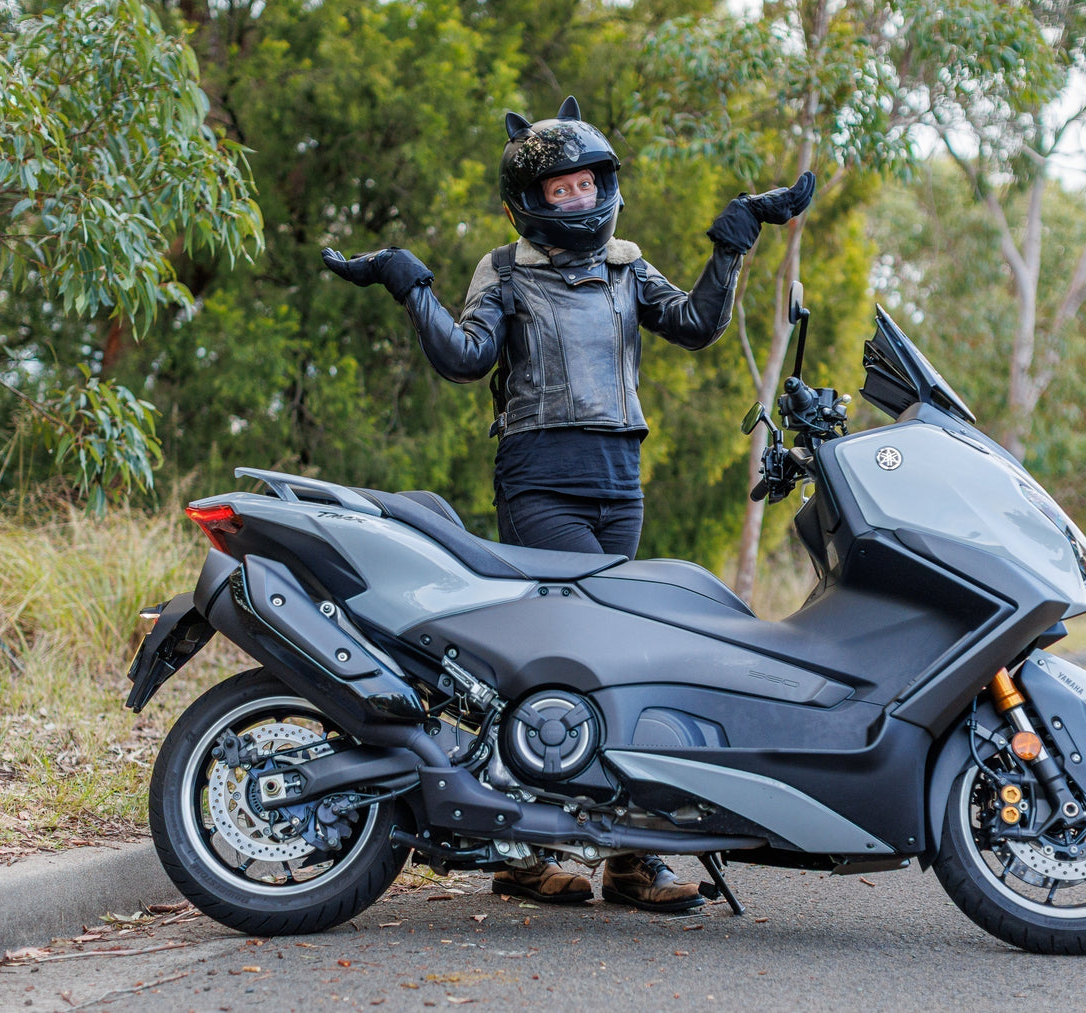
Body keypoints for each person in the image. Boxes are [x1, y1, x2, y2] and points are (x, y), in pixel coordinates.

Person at [321, 96, 814, 912]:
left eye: (588, 183)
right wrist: (408, 283)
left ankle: (627, 859)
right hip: (540, 471)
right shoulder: (505, 270)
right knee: (558, 655)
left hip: (620, 473)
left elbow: (696, 324)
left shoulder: (625, 264)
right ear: (530, 199)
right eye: (561, 189)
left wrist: (736, 236)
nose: (579, 198)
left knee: (622, 661)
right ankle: (522, 854)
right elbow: (466, 359)